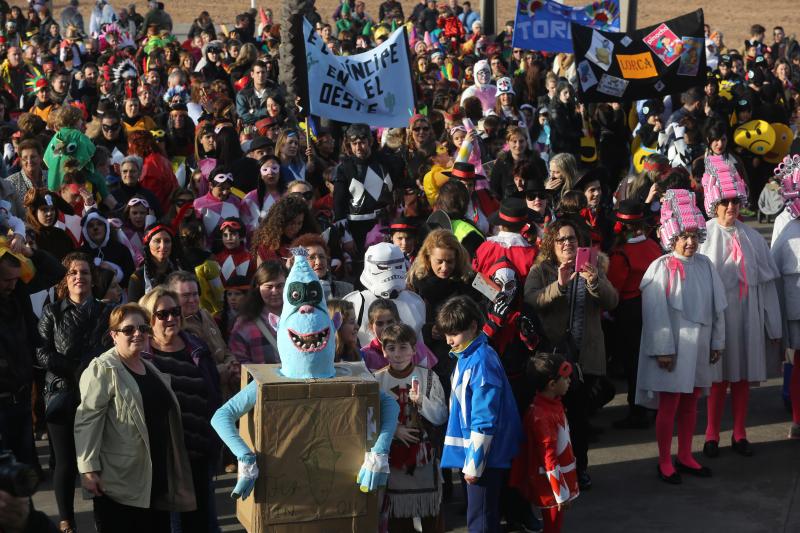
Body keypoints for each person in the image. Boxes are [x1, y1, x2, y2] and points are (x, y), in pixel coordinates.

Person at [74, 303, 195, 532]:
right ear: (113, 335)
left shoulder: (150, 367)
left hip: (155, 478)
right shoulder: (103, 368)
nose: (137, 333)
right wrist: (88, 469)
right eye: (128, 330)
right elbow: (87, 421)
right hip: (119, 481)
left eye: (142, 328)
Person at [636, 189, 726, 484]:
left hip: (699, 346)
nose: (689, 242)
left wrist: (717, 341)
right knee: (670, 402)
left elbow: (717, 309)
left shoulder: (705, 266)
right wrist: (663, 348)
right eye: (683, 237)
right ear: (671, 238)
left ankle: (685, 454)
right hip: (673, 350)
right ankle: (664, 460)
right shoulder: (660, 268)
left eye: (693, 236)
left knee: (692, 400)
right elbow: (655, 313)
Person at [524, 218, 618, 490]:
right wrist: (560, 285)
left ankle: (580, 469)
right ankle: (551, 471)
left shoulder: (595, 266)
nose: (567, 243)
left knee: (578, 419)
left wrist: (594, 281)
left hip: (585, 358)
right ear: (552, 245)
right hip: (553, 358)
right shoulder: (541, 271)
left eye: (572, 239)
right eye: (561, 239)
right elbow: (532, 300)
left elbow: (612, 301)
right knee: (550, 420)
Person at [698, 157, 782, 458]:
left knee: (743, 375)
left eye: (735, 202)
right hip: (719, 318)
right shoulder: (704, 236)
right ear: (714, 204)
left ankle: (739, 433)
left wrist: (773, 325)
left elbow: (767, 282)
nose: (731, 208)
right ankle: (711, 434)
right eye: (725, 202)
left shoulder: (752, 238)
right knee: (718, 377)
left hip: (747, 315)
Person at [37, 253, 112, 533]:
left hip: (98, 395)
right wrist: (73, 370)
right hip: (62, 392)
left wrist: (89, 370)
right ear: (65, 281)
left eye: (85, 272)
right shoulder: (52, 312)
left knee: (97, 461)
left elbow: (110, 345)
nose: (79, 277)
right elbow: (41, 350)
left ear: (93, 279)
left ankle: (101, 519)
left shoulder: (106, 312)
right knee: (66, 462)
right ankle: (66, 519)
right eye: (73, 273)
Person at [139, 287, 222, 533]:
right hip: (163, 458)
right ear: (148, 319)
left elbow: (213, 392)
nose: (171, 318)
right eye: (162, 314)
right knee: (171, 525)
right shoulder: (142, 356)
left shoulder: (196, 347)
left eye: (175, 312)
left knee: (202, 521)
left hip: (199, 450)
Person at [436, 295, 522, 532]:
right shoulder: (469, 355)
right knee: (482, 515)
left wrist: (475, 464)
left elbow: (484, 418)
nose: (449, 341)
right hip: (477, 455)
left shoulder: (480, 361)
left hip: (484, 457)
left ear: (473, 326)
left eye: (454, 333)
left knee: (481, 519)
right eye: (446, 334)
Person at [374, 323, 447, 532]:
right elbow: (368, 420)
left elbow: (441, 417)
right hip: (393, 461)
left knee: (432, 517)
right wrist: (393, 429)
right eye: (391, 348)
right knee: (399, 520)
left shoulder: (429, 377)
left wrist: (422, 401)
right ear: (383, 350)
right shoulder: (376, 380)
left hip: (425, 457)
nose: (398, 354)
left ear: (414, 349)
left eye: (404, 347)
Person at [606, 200, 663, 429]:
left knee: (632, 363)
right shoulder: (653, 246)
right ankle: (654, 407)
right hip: (654, 306)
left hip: (629, 310)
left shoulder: (621, 253)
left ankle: (637, 410)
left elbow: (614, 288)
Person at [510, 352, 579, 533]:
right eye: (565, 378)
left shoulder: (552, 405)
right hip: (550, 483)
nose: (569, 381)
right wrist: (560, 494)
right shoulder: (541, 415)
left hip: (556, 479)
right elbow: (548, 456)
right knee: (552, 526)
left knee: (555, 524)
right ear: (552, 384)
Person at [228, 261, 286, 366]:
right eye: (269, 287)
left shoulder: (301, 317)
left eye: (280, 286)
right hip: (262, 381)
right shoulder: (244, 323)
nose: (275, 291)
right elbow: (239, 363)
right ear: (258, 287)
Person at [127, 223, 181, 302]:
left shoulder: (180, 271)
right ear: (148, 244)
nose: (163, 246)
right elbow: (133, 310)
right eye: (157, 241)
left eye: (167, 241)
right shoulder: (138, 277)